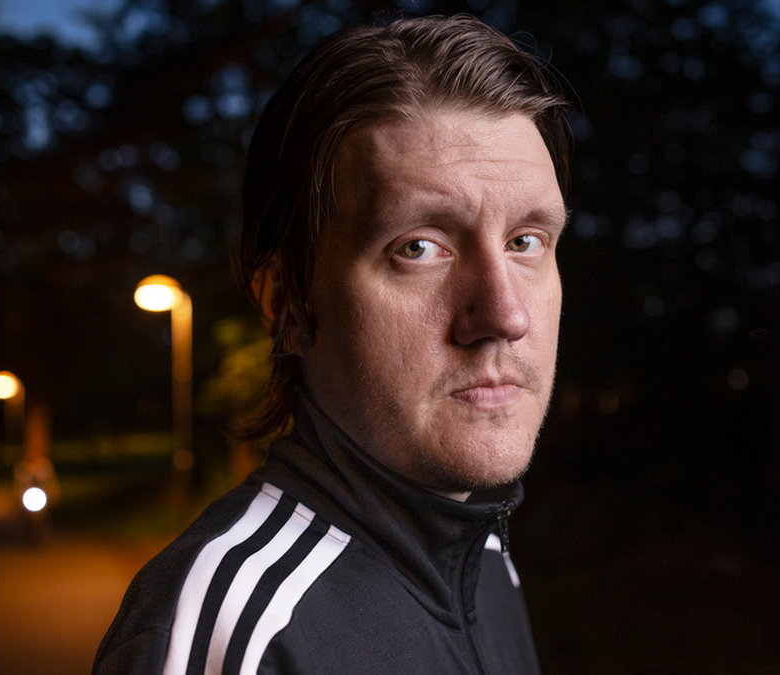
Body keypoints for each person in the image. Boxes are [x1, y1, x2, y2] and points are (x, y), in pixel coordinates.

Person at [95, 13, 571, 674]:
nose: (505, 315)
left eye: (525, 241)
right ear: (287, 304)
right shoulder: (237, 636)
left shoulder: (488, 561)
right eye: (418, 247)